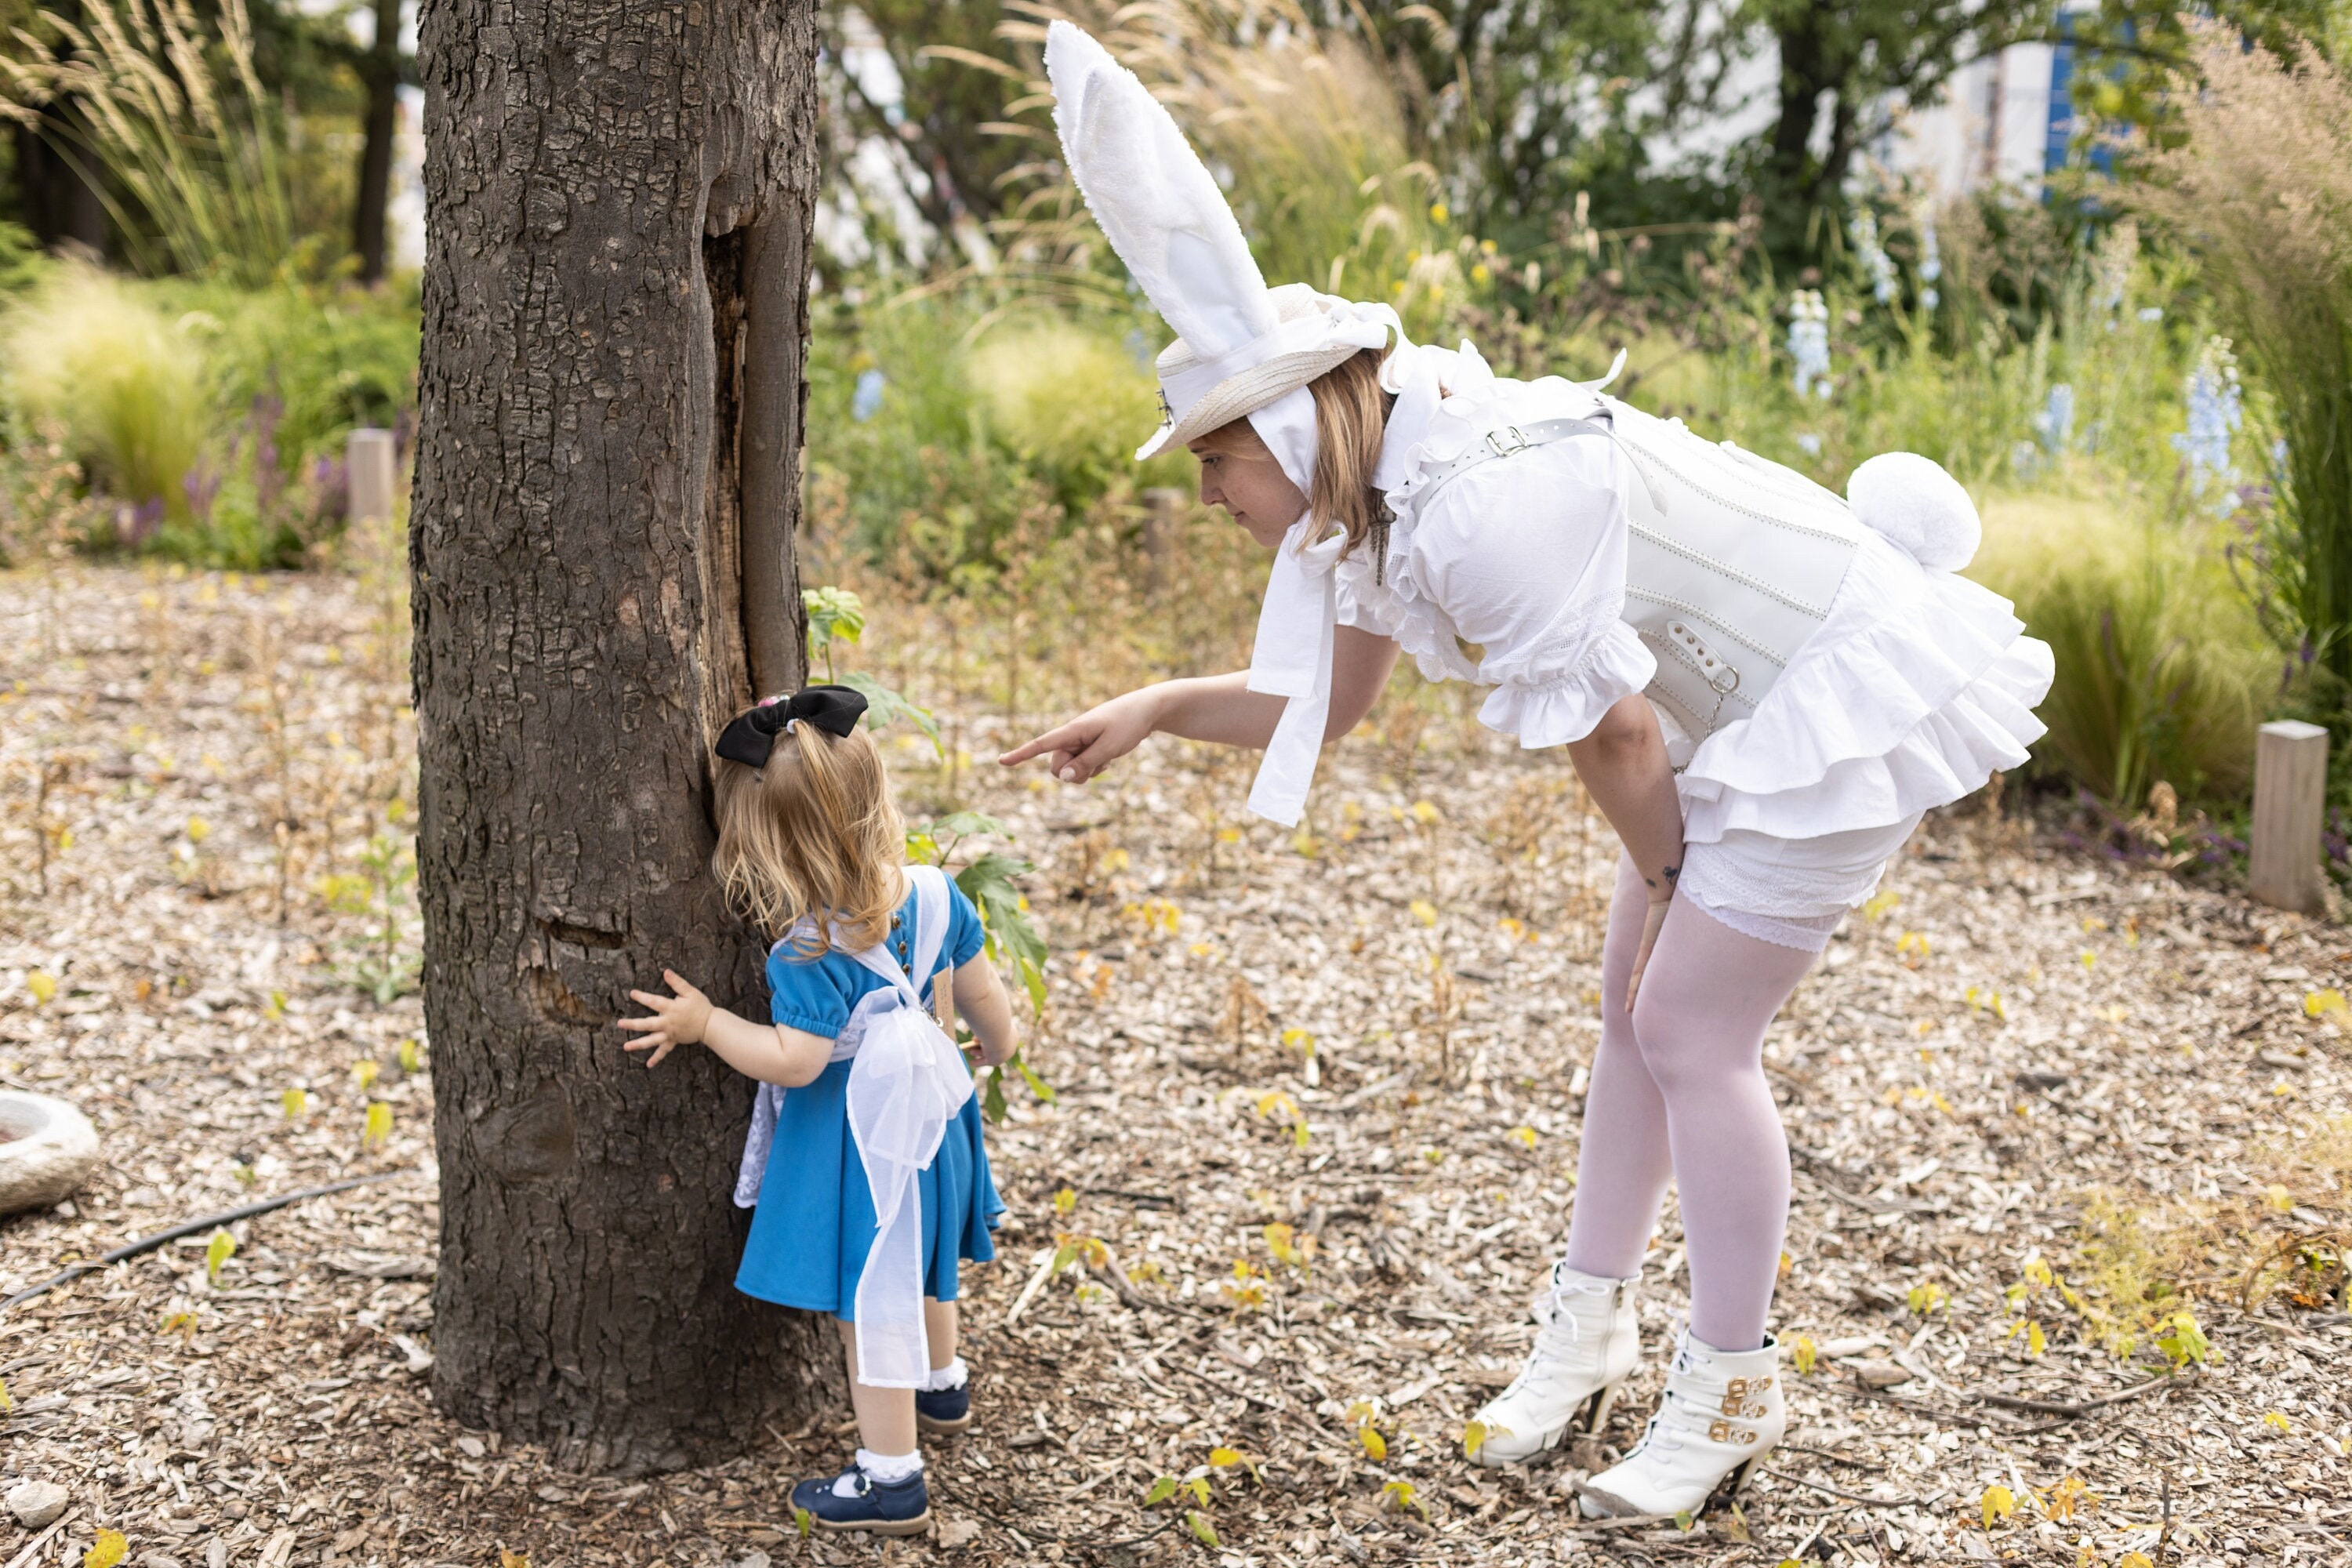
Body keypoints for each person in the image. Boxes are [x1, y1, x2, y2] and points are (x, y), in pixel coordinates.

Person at [1001, 24, 2053, 1521]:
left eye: (1217, 464)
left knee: (1689, 1029)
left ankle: (1731, 1386)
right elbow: (1335, 706)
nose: (1214, 494)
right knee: (1634, 1020)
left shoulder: (1477, 508)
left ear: (1296, 432)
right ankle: (1590, 1327)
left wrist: (1675, 868)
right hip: (1710, 707)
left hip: (1827, 695)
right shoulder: (1387, 490)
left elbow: (1616, 740)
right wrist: (1162, 705)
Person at [620, 685, 1018, 1537]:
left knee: (870, 1301)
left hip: (861, 1150)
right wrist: (997, 1044)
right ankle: (943, 1385)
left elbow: (795, 1064)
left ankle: (891, 1477)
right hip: (937, 1126)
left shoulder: (805, 950)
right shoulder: (938, 893)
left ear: (767, 854)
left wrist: (707, 1023)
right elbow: (989, 1004)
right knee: (923, 1263)